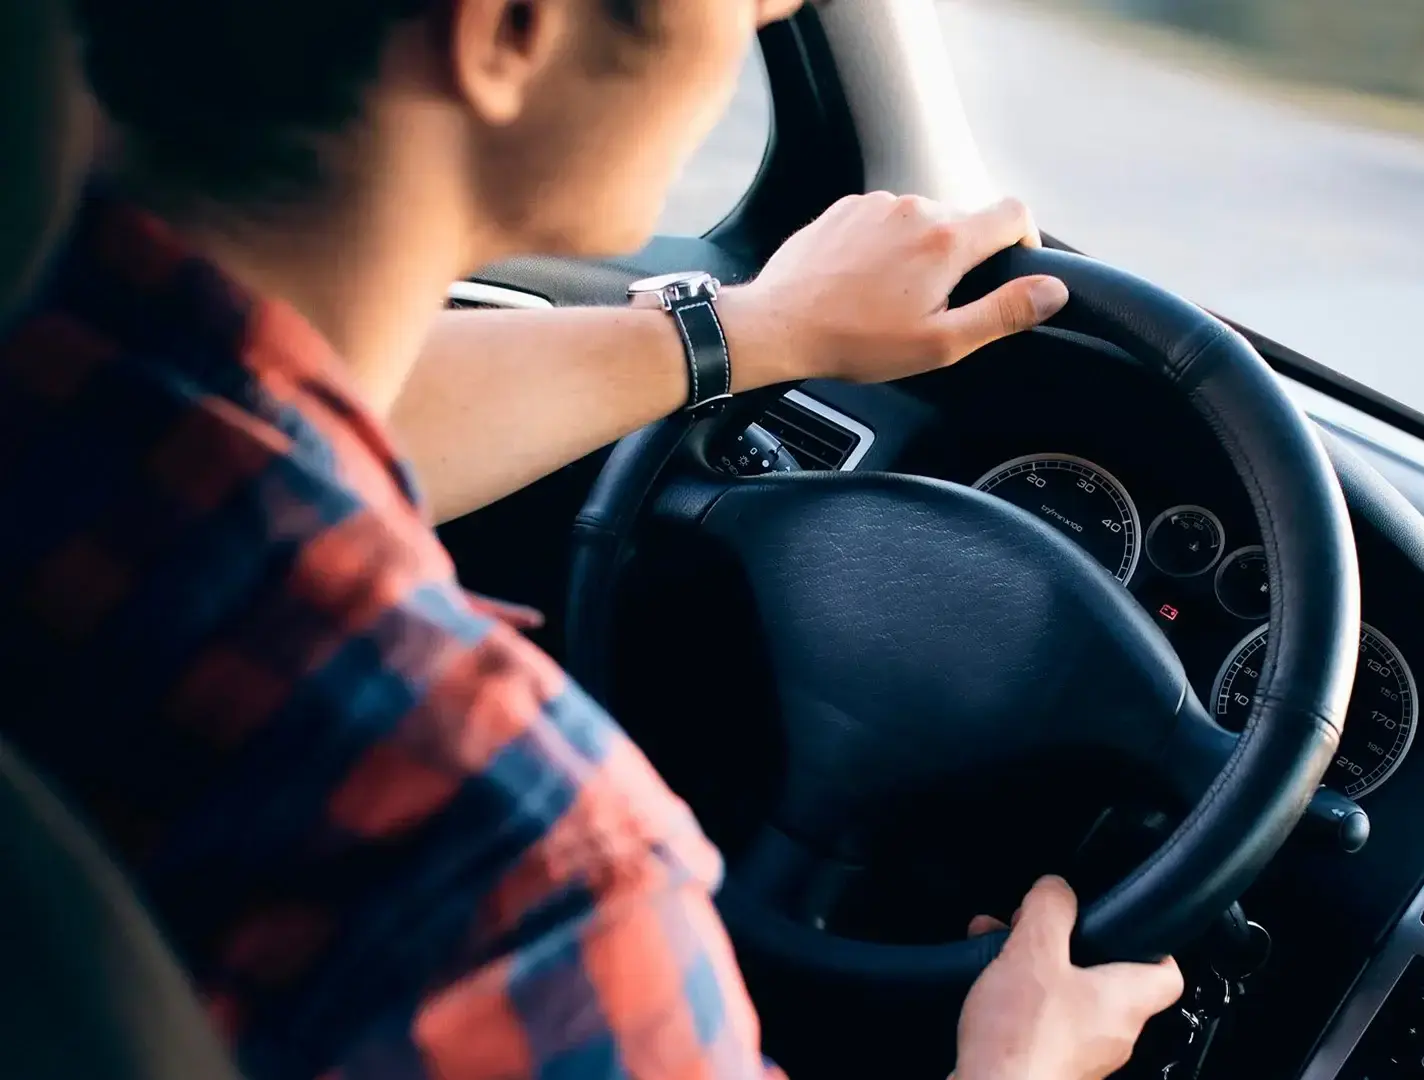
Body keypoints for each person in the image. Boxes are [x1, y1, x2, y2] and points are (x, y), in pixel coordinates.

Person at [0, 1, 1185, 1078]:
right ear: (507, 30)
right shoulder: (516, 878)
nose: (773, 8)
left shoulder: (64, 370)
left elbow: (292, 408)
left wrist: (752, 331)